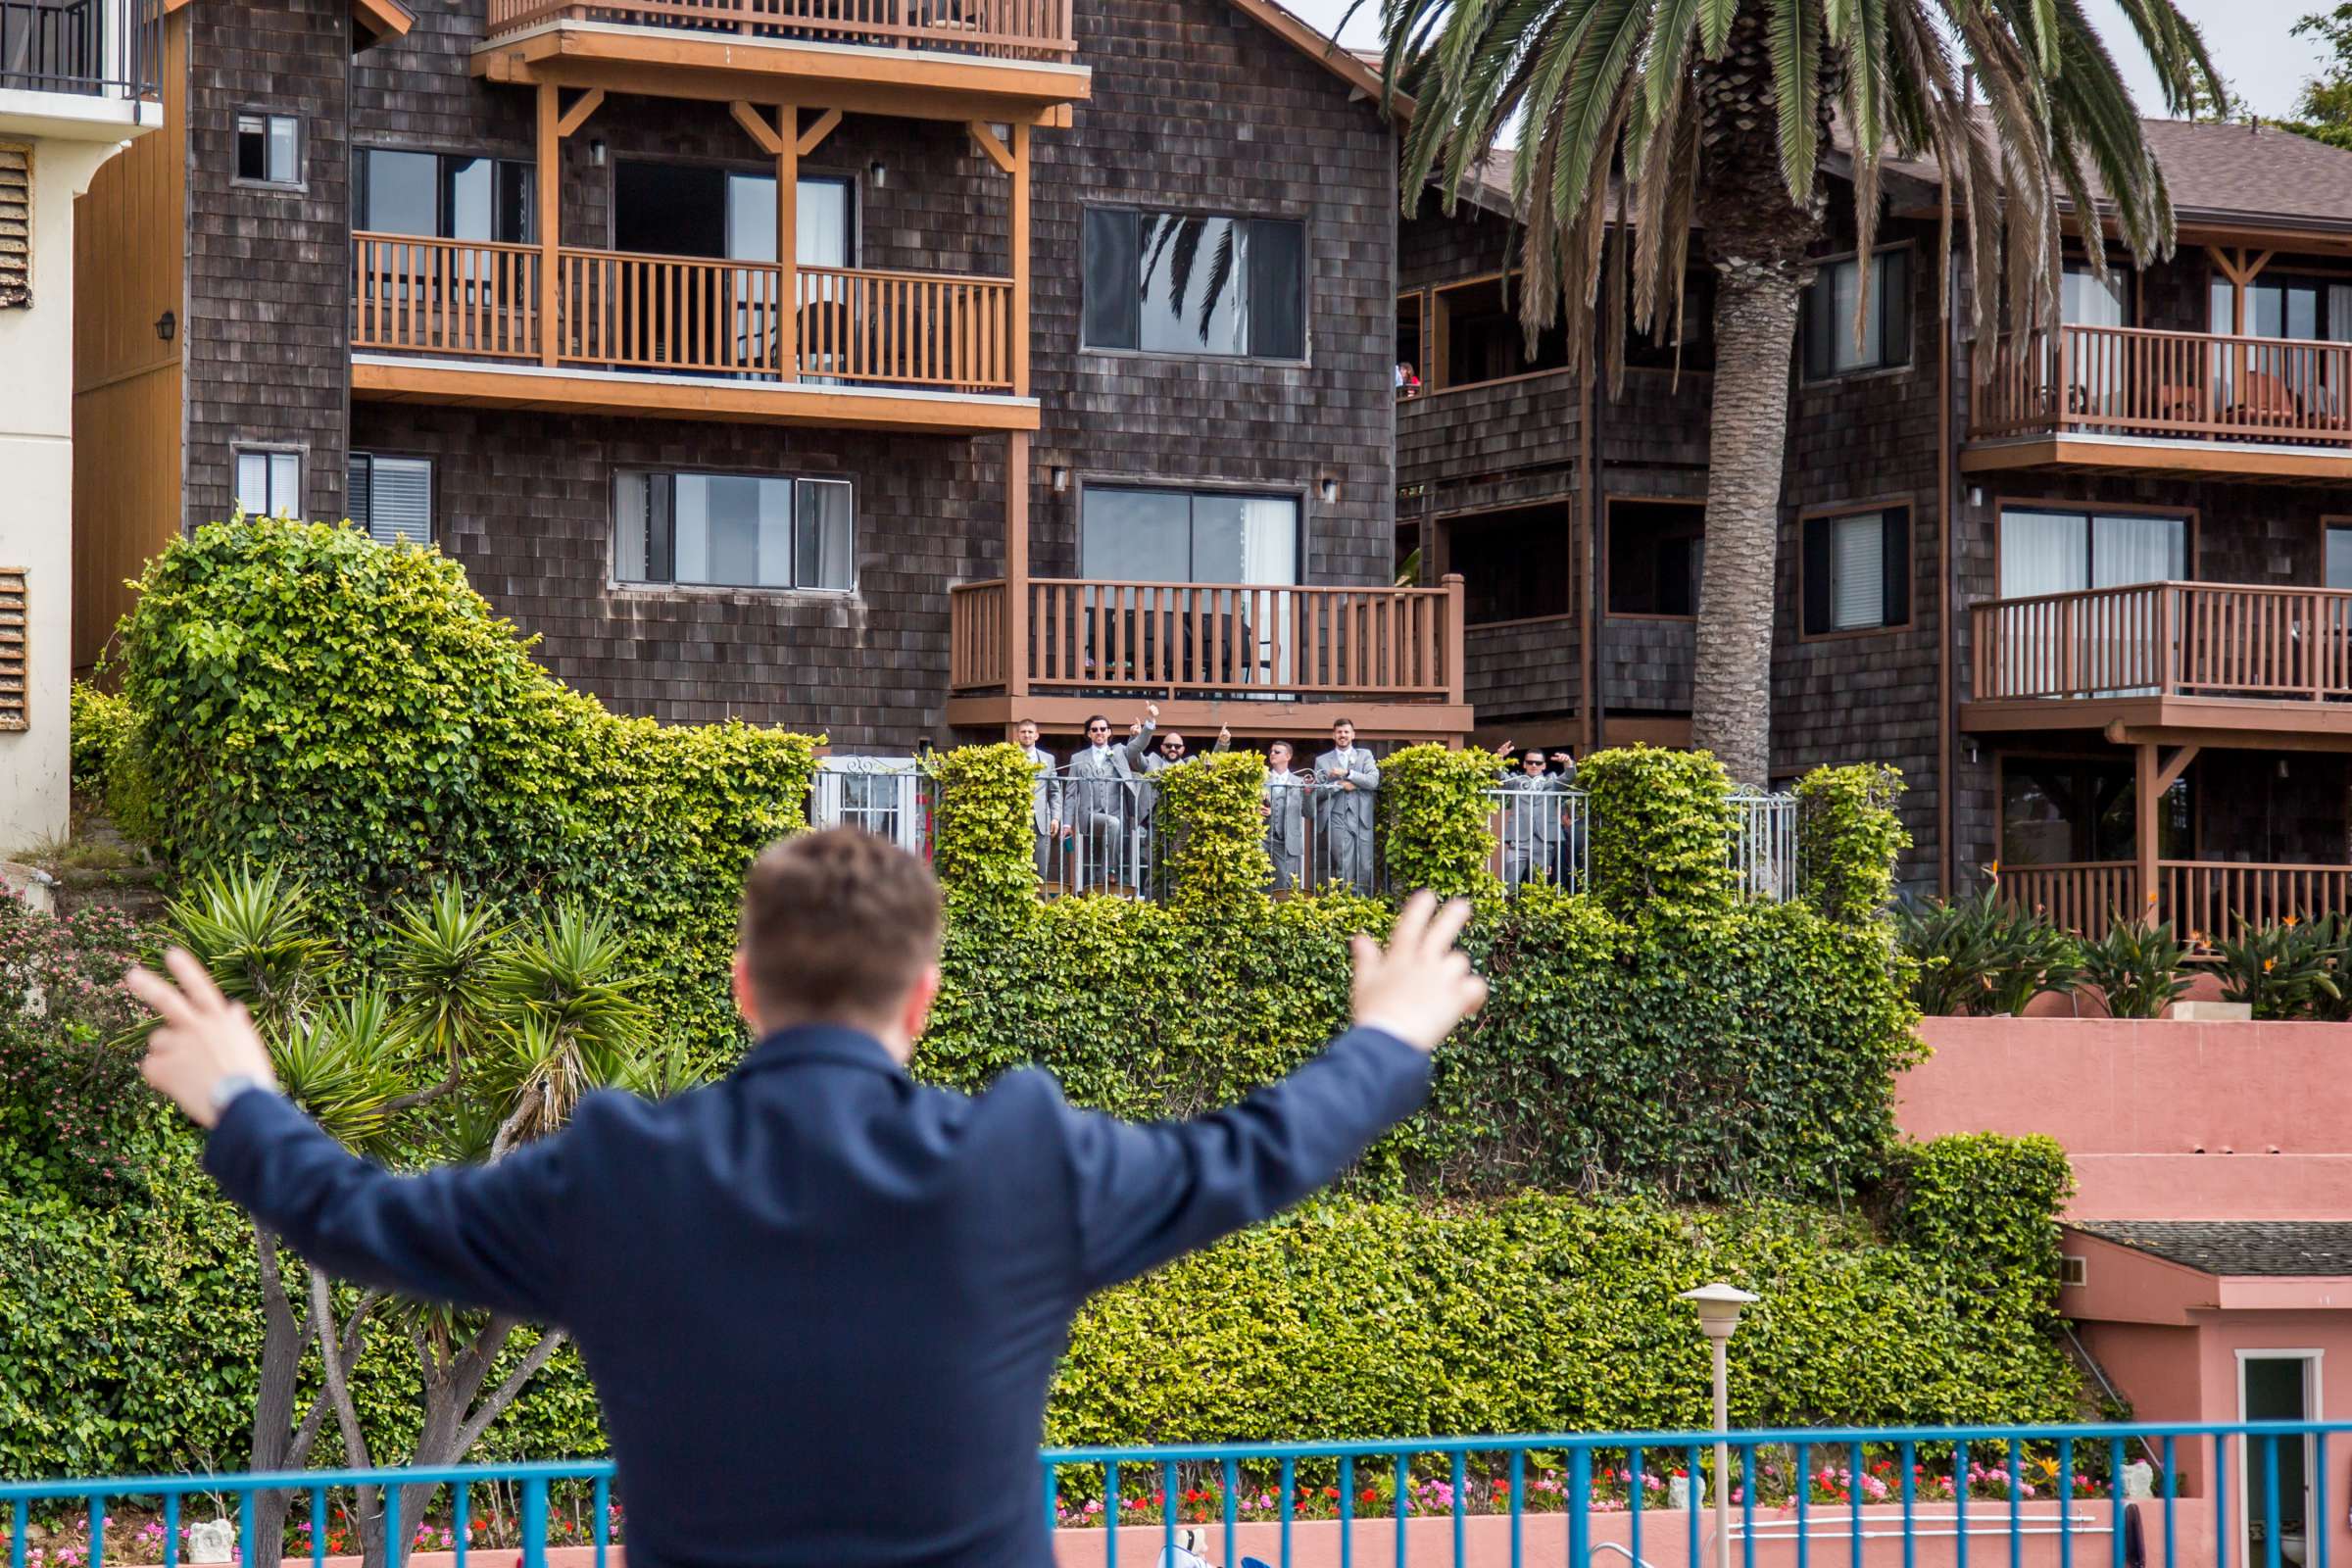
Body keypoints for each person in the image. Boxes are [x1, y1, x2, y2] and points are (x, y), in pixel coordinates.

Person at [127, 831, 1489, 1568]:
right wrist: (1392, 1035)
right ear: (924, 1000)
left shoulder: (619, 1173)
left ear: (742, 989)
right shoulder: (1021, 1163)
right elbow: (1258, 1154)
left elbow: (358, 1221)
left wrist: (246, 1096)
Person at [1062, 705, 1156, 893]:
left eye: (1103, 729)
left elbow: (1138, 746)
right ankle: (1107, 872)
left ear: (1109, 732)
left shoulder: (1119, 752)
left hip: (1116, 813)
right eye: (1095, 729)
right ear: (1088, 734)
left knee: (1114, 824)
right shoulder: (1078, 757)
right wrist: (1066, 823)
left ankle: (1106, 875)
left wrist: (1150, 722)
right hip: (1089, 815)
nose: (1099, 732)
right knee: (1112, 824)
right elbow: (1071, 794)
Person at [1310, 719, 1380, 893]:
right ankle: (1345, 902)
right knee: (1343, 862)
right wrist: (1338, 785)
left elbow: (1373, 781)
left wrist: (1349, 774)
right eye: (1339, 732)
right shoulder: (1322, 761)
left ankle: (1364, 904)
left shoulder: (1365, 755)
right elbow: (1317, 792)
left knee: (1365, 863)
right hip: (1336, 816)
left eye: (1346, 732)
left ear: (1353, 735)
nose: (1343, 735)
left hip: (1361, 817)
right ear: (1334, 735)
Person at [1494, 741, 1574, 889]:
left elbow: (1569, 777)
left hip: (1543, 840)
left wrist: (1568, 762)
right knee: (1509, 883)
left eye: (1538, 763)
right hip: (1518, 839)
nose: (1534, 765)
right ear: (1524, 764)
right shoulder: (1516, 782)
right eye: (1530, 762)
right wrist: (1499, 757)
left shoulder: (1552, 783)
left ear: (1544, 766)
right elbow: (1499, 776)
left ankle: (1536, 912)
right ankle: (1506, 911)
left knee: (1539, 885)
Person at [1013, 719, 1060, 881]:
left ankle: (1039, 903)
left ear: (1037, 735)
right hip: (1015, 820)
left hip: (1041, 820)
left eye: (1030, 732)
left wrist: (1055, 817)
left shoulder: (1048, 758)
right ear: (1017, 735)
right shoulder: (1008, 757)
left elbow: (1054, 791)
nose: (1027, 735)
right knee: (1016, 868)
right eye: (1023, 732)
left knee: (1041, 870)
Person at [1260, 740, 1307, 893]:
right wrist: (1257, 810)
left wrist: (1309, 794)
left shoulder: (1298, 782)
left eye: (1277, 752)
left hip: (1286, 840)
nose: (1272, 754)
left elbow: (1309, 812)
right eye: (1271, 751)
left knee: (1285, 884)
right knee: (1260, 881)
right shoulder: (1261, 780)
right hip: (1262, 838)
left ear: (1288, 756)